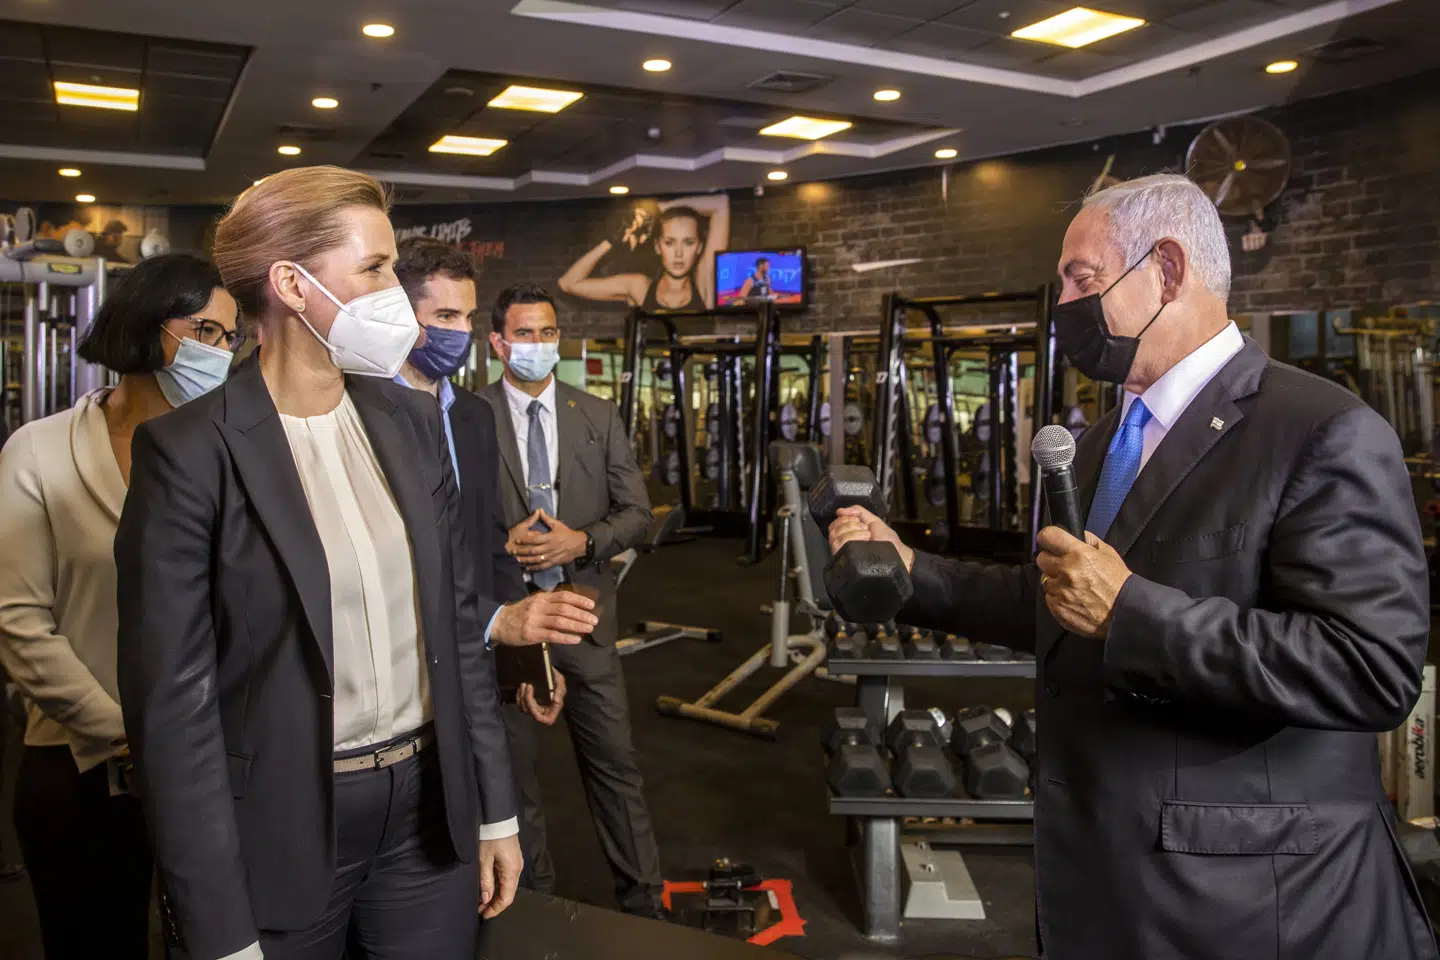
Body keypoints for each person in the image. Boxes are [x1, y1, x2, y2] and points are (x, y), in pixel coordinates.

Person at [827, 173, 1436, 960]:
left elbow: (1372, 669)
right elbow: (1056, 602)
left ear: (1169, 269)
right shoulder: (1095, 444)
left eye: (1083, 279)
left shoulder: (1321, 430)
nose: (1068, 306)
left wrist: (1133, 613)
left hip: (1245, 898)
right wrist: (911, 569)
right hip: (1103, 871)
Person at [113, 166, 600, 960]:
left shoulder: (408, 424)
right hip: (281, 817)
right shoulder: (188, 452)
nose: (393, 295)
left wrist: (492, 811)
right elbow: (173, 713)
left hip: (425, 812)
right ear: (292, 284)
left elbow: (454, 630)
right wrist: (215, 926)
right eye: (373, 269)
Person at [0, 253, 241, 958]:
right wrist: (126, 732)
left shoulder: (233, 454)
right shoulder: (38, 452)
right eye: (205, 330)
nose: (221, 352)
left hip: (215, 759)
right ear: (145, 326)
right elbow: (18, 620)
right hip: (79, 766)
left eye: (230, 337)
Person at [478, 283, 663, 917]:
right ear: (499, 342)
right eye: (525, 333)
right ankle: (530, 910)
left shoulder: (597, 415)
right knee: (516, 782)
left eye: (548, 333)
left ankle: (644, 905)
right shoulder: (470, 419)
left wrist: (580, 542)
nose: (539, 345)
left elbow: (637, 514)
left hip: (586, 618)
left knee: (616, 770)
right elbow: (448, 525)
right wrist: (500, 545)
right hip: (513, 628)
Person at [392, 237, 566, 724]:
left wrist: (524, 656)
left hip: (477, 647)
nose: (461, 332)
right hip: (400, 652)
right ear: (401, 318)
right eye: (446, 317)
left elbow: (492, 546)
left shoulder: (472, 415)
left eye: (468, 318)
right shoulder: (363, 410)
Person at [558, 195, 729, 312]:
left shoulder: (705, 285)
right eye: (669, 243)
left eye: (688, 243)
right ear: (657, 247)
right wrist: (611, 241)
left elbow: (721, 204)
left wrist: (659, 209)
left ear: (699, 248)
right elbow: (568, 283)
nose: (678, 253)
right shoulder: (639, 288)